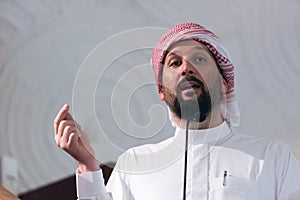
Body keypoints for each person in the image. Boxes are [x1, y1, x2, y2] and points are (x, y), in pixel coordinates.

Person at [54, 23, 300, 199]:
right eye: (175, 63)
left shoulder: (272, 156)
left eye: (199, 59)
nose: (186, 68)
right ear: (162, 91)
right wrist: (87, 166)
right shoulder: (136, 164)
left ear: (224, 83)